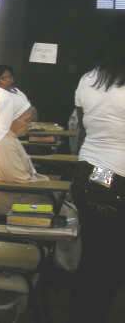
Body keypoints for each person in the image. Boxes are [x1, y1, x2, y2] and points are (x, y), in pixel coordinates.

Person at [69, 44, 125, 323]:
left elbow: (81, 125)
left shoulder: (87, 79)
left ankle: (83, 312)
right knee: (112, 259)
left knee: (93, 252)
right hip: (116, 177)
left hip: (91, 171)